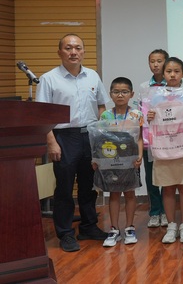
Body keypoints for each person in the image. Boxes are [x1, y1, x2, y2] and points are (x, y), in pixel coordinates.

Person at [36, 34, 110, 252]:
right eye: (68, 48)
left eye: (78, 48)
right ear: (60, 52)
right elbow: (42, 115)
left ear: (83, 51)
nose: (74, 52)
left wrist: (101, 133)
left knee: (88, 186)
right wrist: (51, 143)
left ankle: (89, 226)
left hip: (90, 135)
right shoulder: (49, 79)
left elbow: (101, 106)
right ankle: (66, 233)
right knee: (65, 188)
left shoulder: (92, 76)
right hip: (64, 137)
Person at [146, 57, 183, 243]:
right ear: (163, 73)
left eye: (177, 71)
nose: (173, 75)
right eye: (169, 71)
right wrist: (149, 117)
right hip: (163, 148)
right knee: (167, 188)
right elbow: (148, 121)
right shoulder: (155, 96)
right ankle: (171, 225)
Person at [97, 77, 144, 247]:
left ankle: (130, 227)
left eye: (124, 92)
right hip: (111, 160)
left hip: (131, 160)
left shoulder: (137, 114)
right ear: (110, 94)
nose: (120, 95)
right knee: (114, 193)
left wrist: (139, 156)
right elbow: (100, 139)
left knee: (130, 193)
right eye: (116, 92)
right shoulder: (105, 115)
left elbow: (140, 138)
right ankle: (114, 229)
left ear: (131, 94)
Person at [138, 48, 168, 229]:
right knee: (150, 176)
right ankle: (155, 212)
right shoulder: (144, 87)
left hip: (168, 138)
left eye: (159, 61)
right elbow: (140, 112)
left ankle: (166, 211)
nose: (155, 65)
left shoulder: (173, 85)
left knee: (166, 175)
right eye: (152, 61)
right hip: (149, 139)